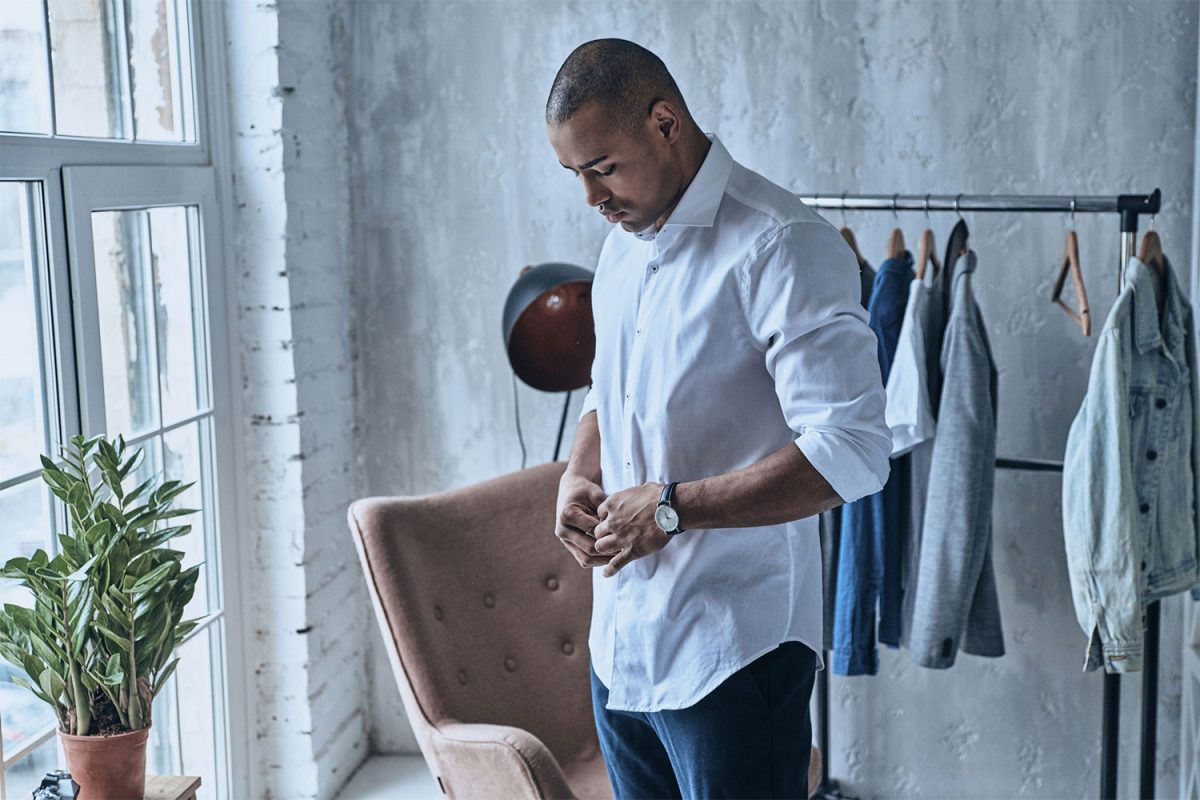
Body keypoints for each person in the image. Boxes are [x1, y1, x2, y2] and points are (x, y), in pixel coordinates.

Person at [546, 38, 891, 799]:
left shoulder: (782, 244)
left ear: (665, 123)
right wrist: (580, 471)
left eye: (602, 169)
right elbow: (609, 391)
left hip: (735, 657)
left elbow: (857, 447)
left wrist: (671, 509)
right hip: (622, 648)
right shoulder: (620, 248)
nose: (591, 199)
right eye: (576, 175)